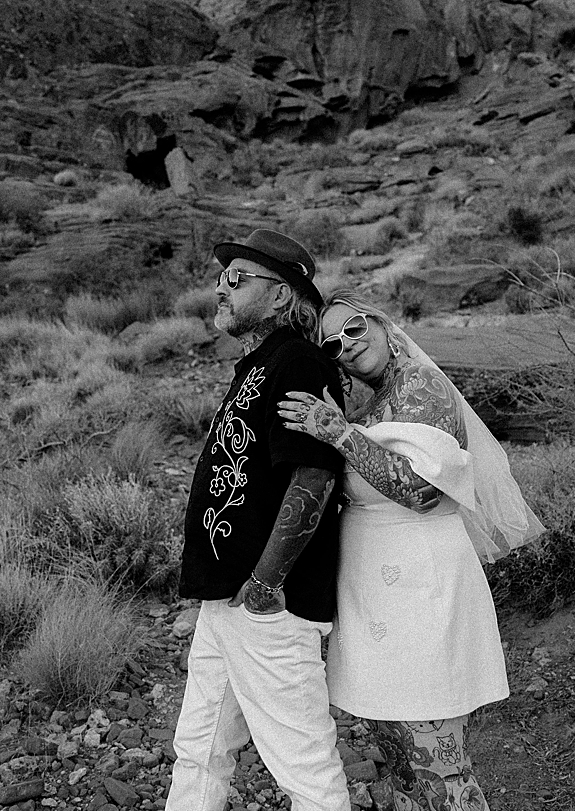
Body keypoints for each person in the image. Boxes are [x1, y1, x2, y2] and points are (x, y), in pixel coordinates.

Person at [277, 297, 543, 811]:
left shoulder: (422, 386)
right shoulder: (369, 407)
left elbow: (419, 490)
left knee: (439, 764)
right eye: (332, 344)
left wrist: (335, 431)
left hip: (423, 590)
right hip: (373, 599)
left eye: (355, 328)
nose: (347, 345)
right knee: (401, 762)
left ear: (380, 323)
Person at [166, 228, 350, 811]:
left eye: (237, 278)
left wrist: (266, 581)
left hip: (268, 605)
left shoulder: (298, 361)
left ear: (280, 295)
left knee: (306, 769)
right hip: (227, 599)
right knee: (199, 749)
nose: (221, 288)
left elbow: (314, 475)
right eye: (221, 277)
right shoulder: (257, 366)